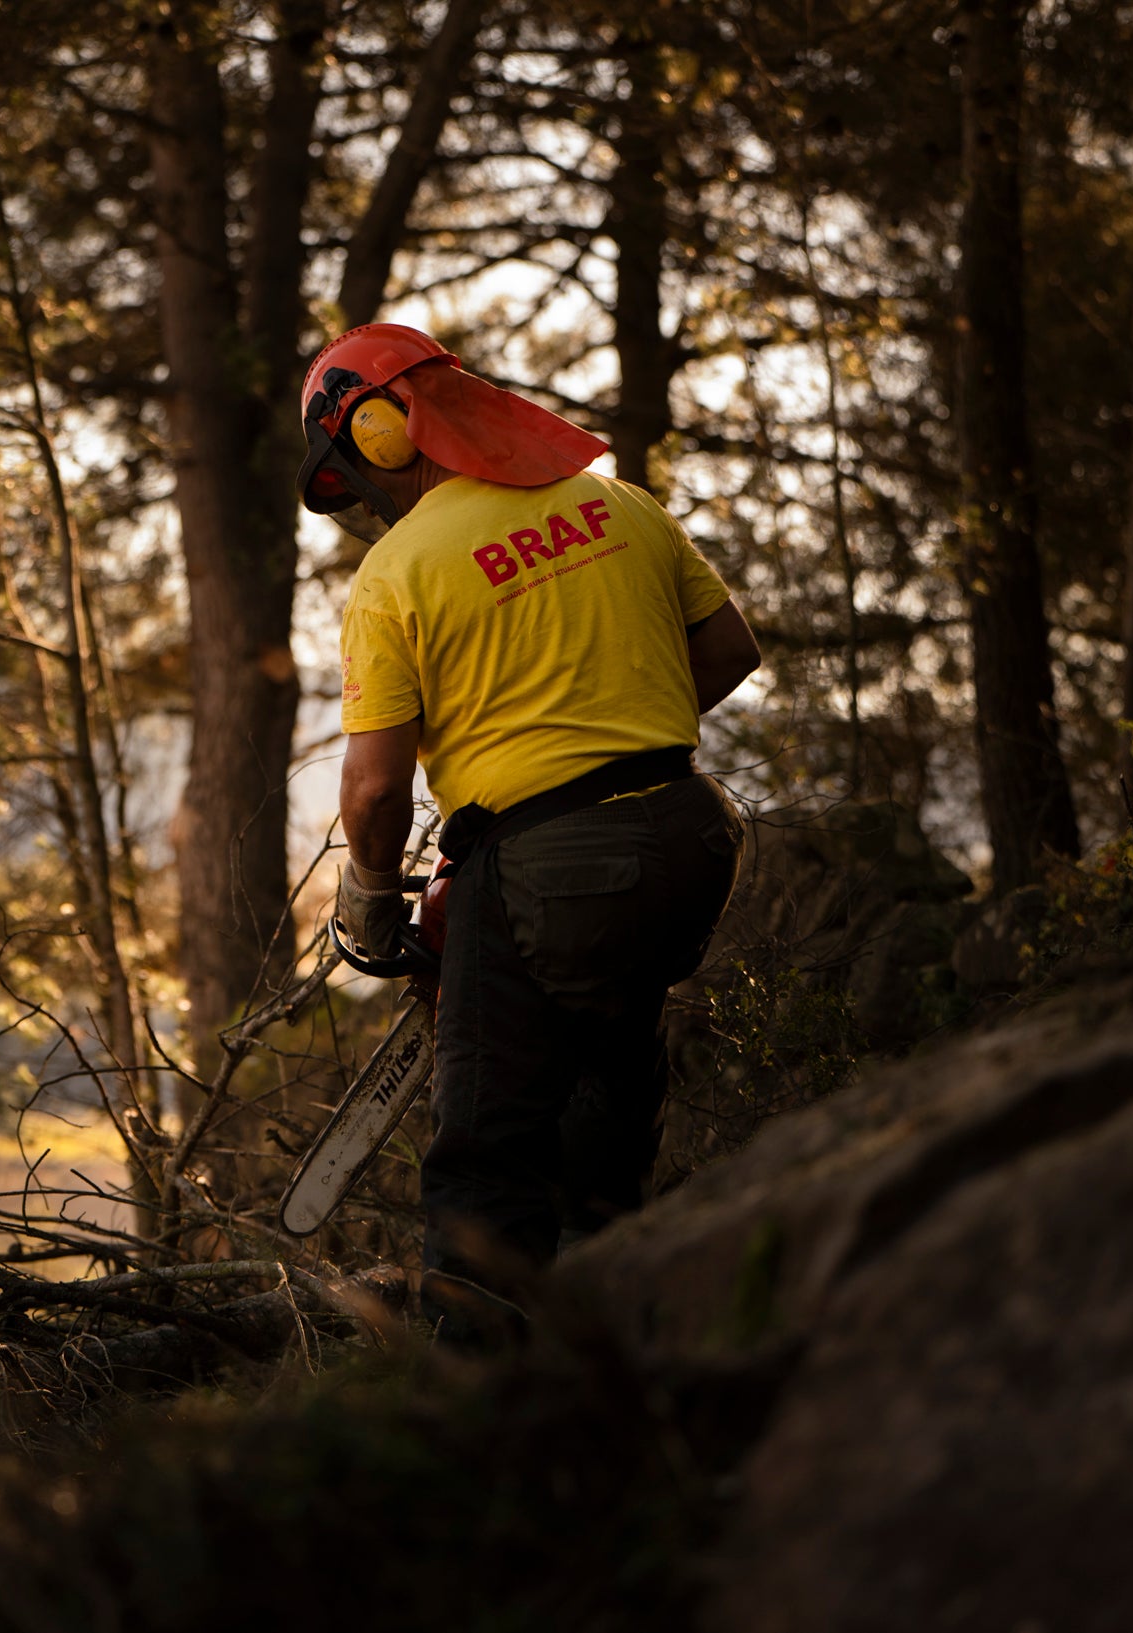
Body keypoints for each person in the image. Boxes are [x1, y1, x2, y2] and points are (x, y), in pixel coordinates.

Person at [303, 323, 761, 1340]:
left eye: (357, 469)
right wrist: (610, 729)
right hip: (688, 837)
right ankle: (626, 1344)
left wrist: (373, 904)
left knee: (487, 1159)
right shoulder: (620, 504)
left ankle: (483, 1409)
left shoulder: (397, 572)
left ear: (382, 429)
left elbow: (376, 792)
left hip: (546, 872)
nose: (364, 499)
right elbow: (730, 647)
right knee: (607, 1123)